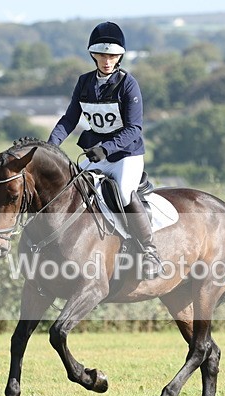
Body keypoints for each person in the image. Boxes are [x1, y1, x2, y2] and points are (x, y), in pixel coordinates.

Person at [48, 21, 163, 279]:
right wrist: (51, 146)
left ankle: (149, 251)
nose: (107, 61)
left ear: (119, 56)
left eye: (112, 56)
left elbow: (134, 128)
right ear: (94, 56)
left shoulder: (128, 84)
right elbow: (69, 119)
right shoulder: (84, 82)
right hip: (95, 154)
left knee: (123, 192)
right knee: (73, 191)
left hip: (126, 155)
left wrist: (106, 148)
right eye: (102, 55)